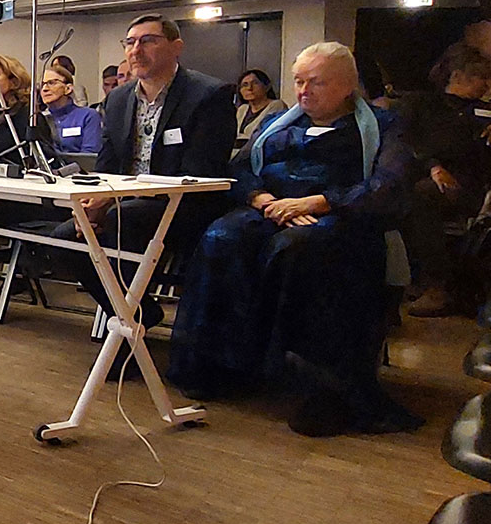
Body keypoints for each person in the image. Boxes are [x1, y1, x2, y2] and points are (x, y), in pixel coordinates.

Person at [166, 43, 422, 437]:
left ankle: (318, 388)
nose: (303, 91)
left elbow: (390, 184)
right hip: (271, 209)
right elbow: (239, 169)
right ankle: (223, 366)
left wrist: (319, 202)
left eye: (316, 82)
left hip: (342, 216)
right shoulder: (278, 124)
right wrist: (263, 200)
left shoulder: (384, 125)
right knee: (221, 238)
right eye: (299, 81)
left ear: (347, 85)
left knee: (295, 249)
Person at [52, 15, 235, 325]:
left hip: (185, 205)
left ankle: (128, 324)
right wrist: (93, 203)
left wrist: (113, 201)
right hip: (125, 203)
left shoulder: (208, 95)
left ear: (176, 47)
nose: (136, 50)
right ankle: (136, 315)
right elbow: (106, 165)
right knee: (65, 238)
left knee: (119, 221)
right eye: (130, 42)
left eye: (148, 41)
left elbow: (200, 171)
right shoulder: (118, 99)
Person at [398, 44, 491, 316]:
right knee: (411, 191)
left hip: (472, 183)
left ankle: (437, 287)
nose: (486, 85)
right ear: (457, 75)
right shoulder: (422, 105)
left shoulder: (484, 112)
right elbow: (407, 140)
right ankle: (411, 279)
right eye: (481, 77)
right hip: (425, 174)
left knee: (423, 195)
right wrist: (433, 165)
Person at [39, 62, 103, 155]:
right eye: (42, 84)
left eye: (51, 83)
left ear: (68, 88)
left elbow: (89, 156)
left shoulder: (88, 116)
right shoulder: (39, 120)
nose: (45, 89)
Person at [230, 69, 288, 164]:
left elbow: (263, 135)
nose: (249, 88)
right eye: (245, 85)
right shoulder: (242, 109)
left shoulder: (276, 105)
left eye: (255, 83)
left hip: (260, 155)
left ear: (267, 87)